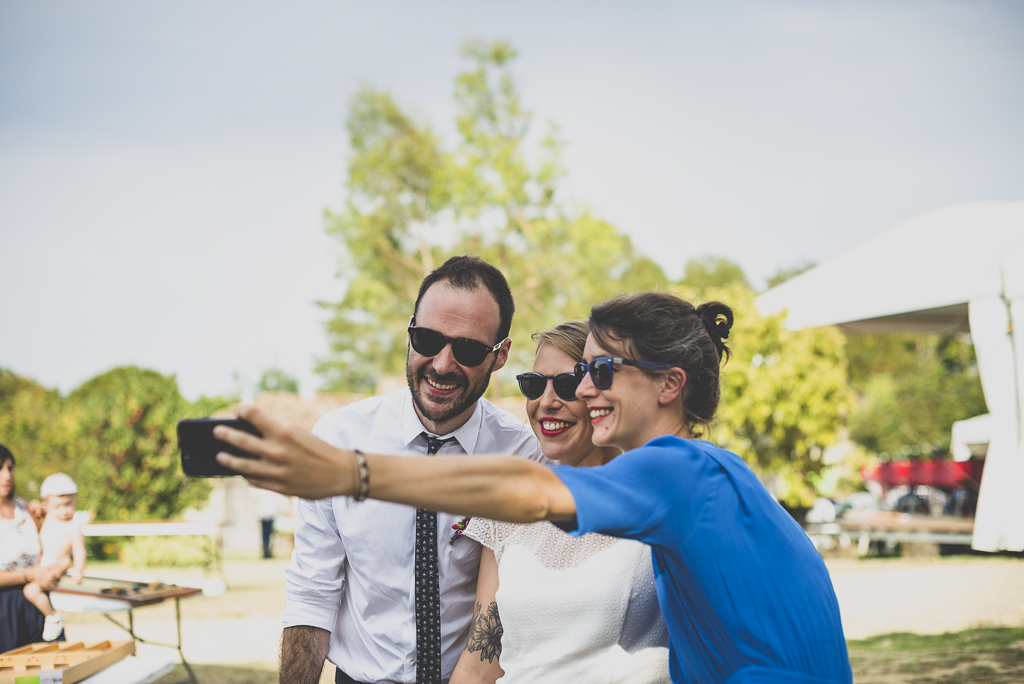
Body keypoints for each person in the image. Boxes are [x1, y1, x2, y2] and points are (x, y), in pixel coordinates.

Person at [217, 290, 853, 684]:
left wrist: (349, 473)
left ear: (669, 384)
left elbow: (532, 492)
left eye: (599, 371)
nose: (581, 390)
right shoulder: (704, 476)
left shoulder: (678, 471)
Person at [280, 256, 542, 684]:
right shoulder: (337, 438)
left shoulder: (520, 453)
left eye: (469, 349)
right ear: (409, 332)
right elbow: (312, 592)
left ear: (500, 356)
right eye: (426, 338)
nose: (441, 364)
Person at [451, 321, 669, 684]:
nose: (546, 402)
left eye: (567, 386)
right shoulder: (509, 504)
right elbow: (480, 660)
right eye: (534, 385)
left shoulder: (660, 500)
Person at [0, 444, 68, 652]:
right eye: (0, 469)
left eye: (10, 468)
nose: (7, 475)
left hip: (37, 605)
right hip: (4, 611)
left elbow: (51, 547)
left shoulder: (24, 508)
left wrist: (48, 519)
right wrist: (29, 574)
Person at [21, 473, 85, 641]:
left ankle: (52, 616)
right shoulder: (48, 517)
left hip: (56, 564)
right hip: (40, 563)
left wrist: (78, 570)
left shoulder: (73, 526)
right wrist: (35, 507)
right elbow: (32, 511)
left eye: (68, 505)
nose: (64, 511)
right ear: (47, 505)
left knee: (31, 591)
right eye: (58, 506)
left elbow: (79, 550)